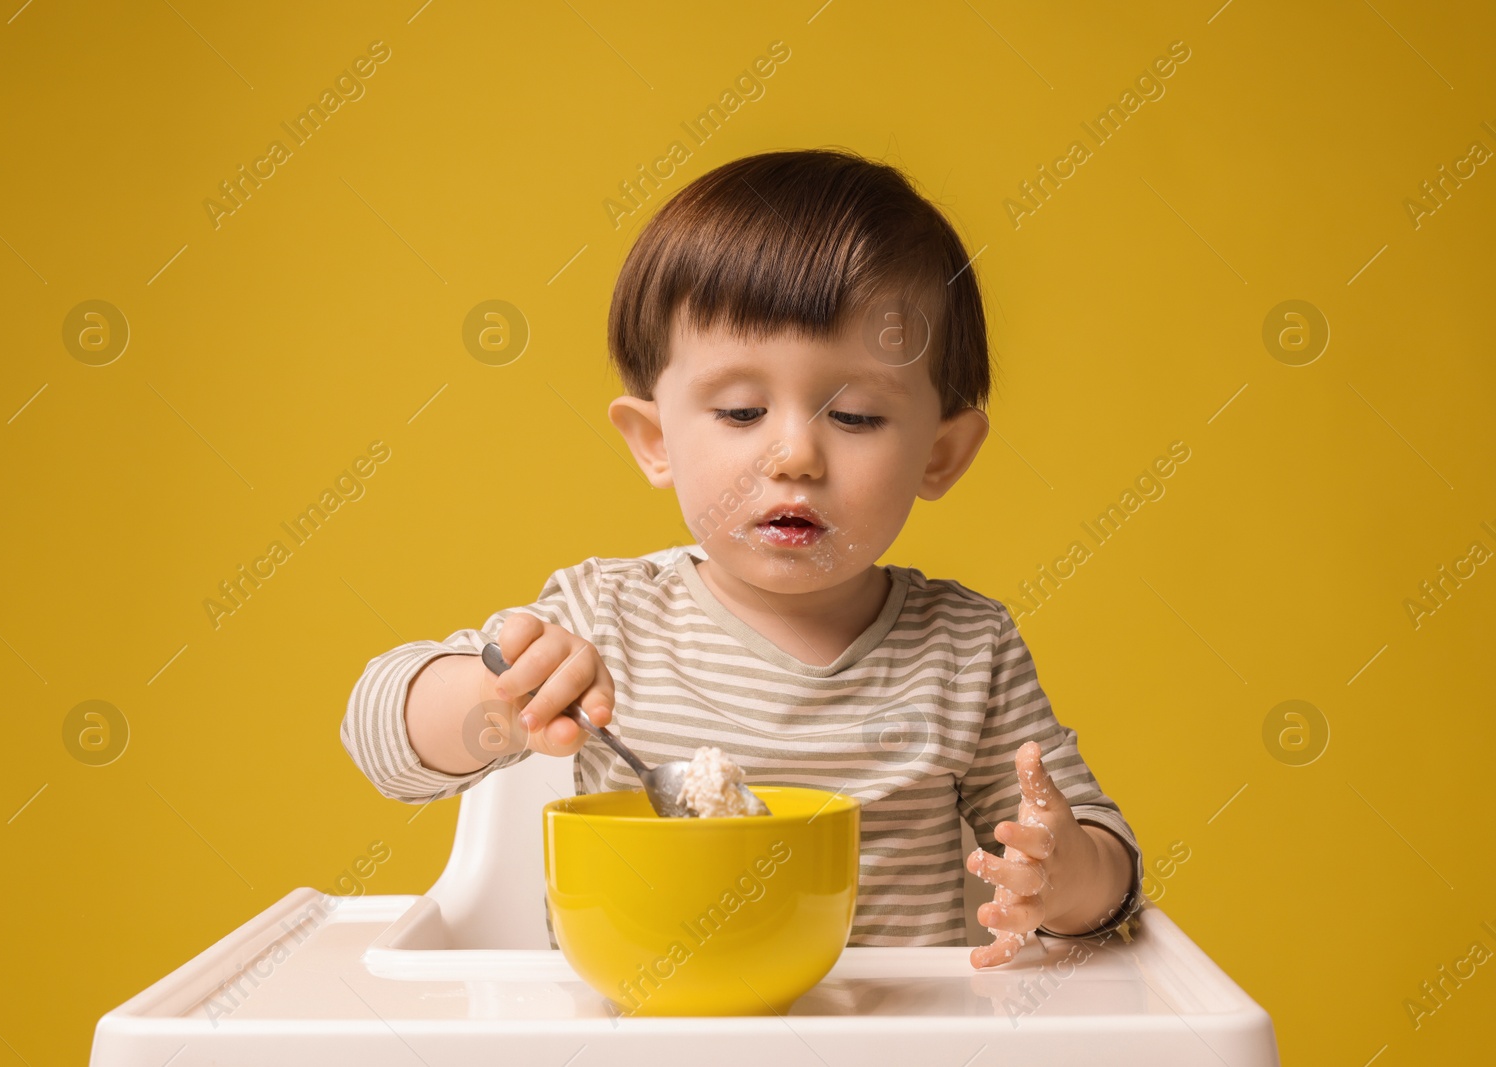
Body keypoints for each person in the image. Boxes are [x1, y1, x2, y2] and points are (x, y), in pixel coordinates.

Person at [342, 147, 1144, 966]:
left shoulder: (967, 650)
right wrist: (492, 697)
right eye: (740, 410)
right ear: (655, 441)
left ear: (941, 454)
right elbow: (378, 739)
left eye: (858, 415)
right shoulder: (605, 617)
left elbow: (1108, 877)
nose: (794, 453)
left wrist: (1070, 877)